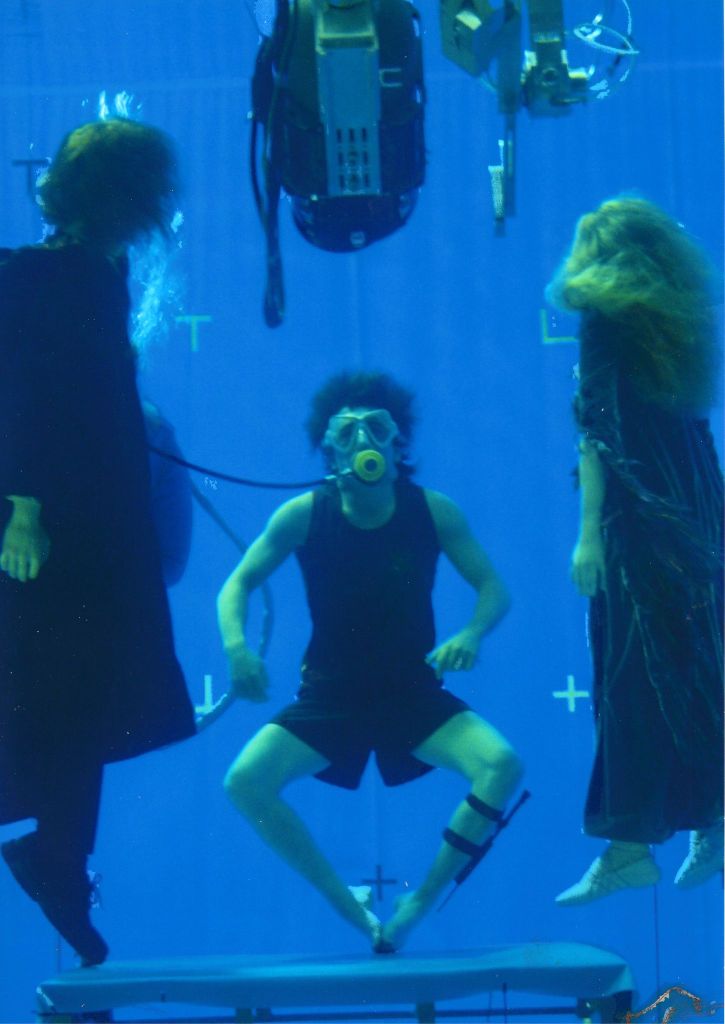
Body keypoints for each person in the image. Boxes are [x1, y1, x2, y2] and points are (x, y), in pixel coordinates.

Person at [217, 371, 523, 951]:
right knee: (246, 782)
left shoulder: (433, 512)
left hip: (413, 693)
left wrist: (472, 633)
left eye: (377, 427)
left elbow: (493, 589)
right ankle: (343, 899)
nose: (363, 440)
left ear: (397, 442)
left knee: (502, 765)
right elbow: (237, 584)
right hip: (330, 697)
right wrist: (237, 649)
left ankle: (420, 901)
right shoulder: (303, 514)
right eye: (346, 430)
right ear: (329, 449)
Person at [0, 118, 196, 964]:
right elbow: (19, 398)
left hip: (102, 526)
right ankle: (56, 862)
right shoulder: (37, 276)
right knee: (62, 703)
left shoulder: (96, 271)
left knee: (82, 707)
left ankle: (59, 861)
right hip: (58, 531)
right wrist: (22, 511)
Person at [546, 196, 724, 904]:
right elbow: (692, 431)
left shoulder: (604, 322)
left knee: (628, 675)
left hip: (640, 520)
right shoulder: (681, 323)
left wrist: (588, 533)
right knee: (697, 663)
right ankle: (711, 820)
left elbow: (598, 434)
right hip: (696, 512)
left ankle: (628, 848)